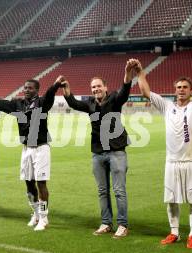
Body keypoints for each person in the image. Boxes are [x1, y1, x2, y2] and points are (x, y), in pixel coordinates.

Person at [0, 79, 62, 231]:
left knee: (41, 183)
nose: (26, 90)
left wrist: (56, 85)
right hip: (26, 149)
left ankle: (44, 218)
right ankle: (36, 214)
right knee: (29, 183)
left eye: (30, 88)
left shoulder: (42, 103)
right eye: (25, 88)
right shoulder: (18, 104)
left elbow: (50, 94)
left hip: (41, 147)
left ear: (36, 90)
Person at [135, 48, 192, 249]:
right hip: (172, 162)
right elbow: (145, 92)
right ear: (175, 90)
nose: (181, 89)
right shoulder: (167, 106)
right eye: (178, 87)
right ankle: (174, 232)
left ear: (191, 91)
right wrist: (141, 73)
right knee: (171, 200)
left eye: (185, 87)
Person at [61, 59, 138, 238]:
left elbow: (125, 90)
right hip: (97, 153)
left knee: (119, 190)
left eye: (98, 86)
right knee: (102, 191)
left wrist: (127, 73)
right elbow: (73, 103)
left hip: (117, 151)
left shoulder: (114, 100)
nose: (95, 89)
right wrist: (66, 88)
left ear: (105, 87)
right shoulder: (90, 104)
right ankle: (106, 223)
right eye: (93, 87)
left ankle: (122, 225)